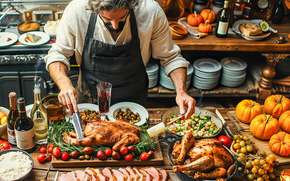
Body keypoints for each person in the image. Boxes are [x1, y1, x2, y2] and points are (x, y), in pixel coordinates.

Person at [45, 0, 196, 118]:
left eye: (122, 17)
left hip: (134, 104)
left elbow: (171, 57)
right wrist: (64, 84)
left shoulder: (151, 11)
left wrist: (181, 91)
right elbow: (58, 54)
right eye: (106, 19)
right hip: (89, 102)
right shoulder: (77, 10)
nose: (115, 25)